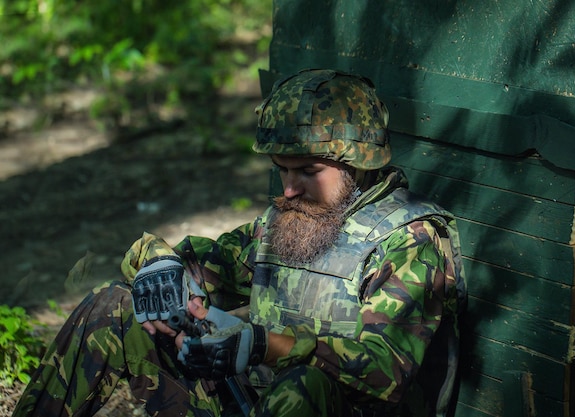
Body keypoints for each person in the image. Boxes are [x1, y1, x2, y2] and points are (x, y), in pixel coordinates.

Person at [13, 68, 466, 417]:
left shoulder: (412, 240)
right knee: (109, 307)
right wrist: (156, 265)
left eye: (307, 172)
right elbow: (194, 263)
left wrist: (266, 344)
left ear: (359, 166)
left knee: (301, 388)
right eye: (282, 169)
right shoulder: (291, 220)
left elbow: (385, 374)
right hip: (248, 399)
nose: (288, 189)